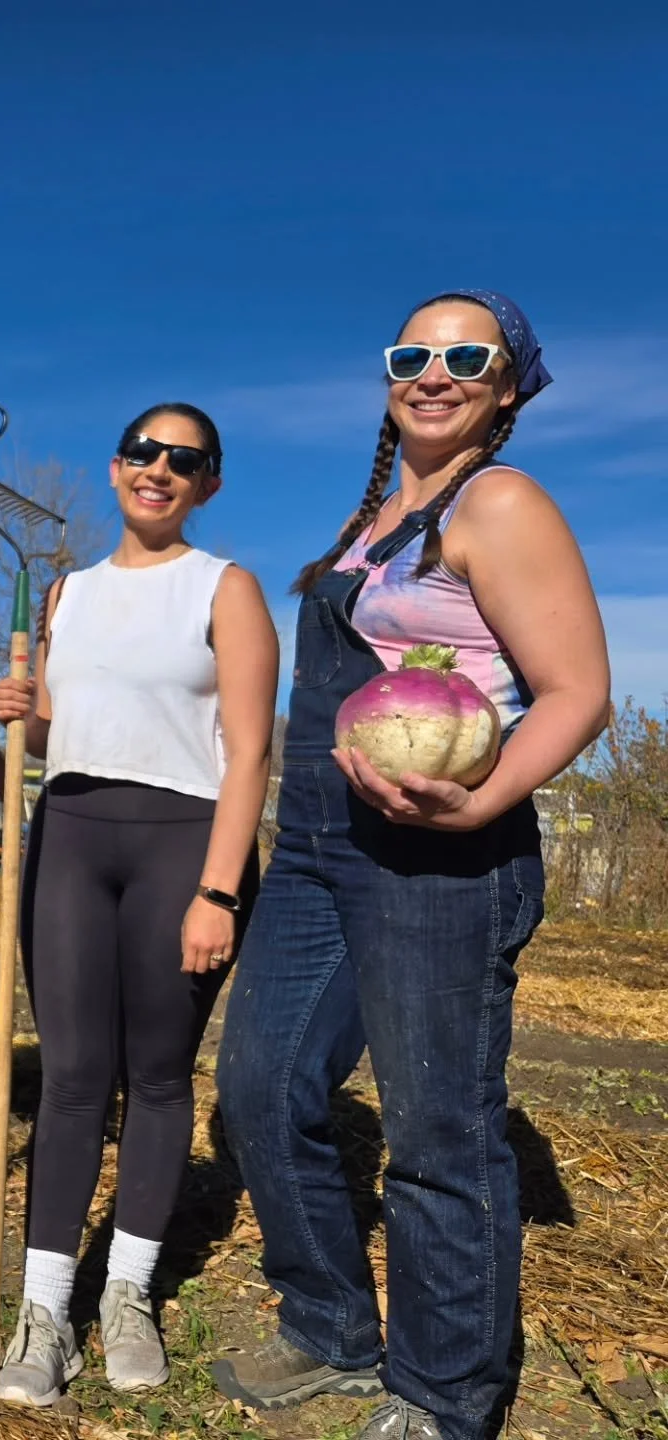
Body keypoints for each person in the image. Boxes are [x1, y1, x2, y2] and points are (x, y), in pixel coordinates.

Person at [212, 292, 610, 1440]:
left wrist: (478, 798)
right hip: (321, 848)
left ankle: (445, 1394)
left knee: (437, 1131)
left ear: (508, 384)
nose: (434, 372)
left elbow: (578, 689)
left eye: (465, 356)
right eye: (412, 354)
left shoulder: (502, 502)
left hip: (442, 859)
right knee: (258, 1084)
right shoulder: (380, 518)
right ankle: (331, 1327)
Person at [0, 404, 279, 1405]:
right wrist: (30, 710)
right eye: (144, 453)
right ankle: (42, 1313)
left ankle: (127, 1295)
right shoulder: (65, 591)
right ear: (115, 470)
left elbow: (249, 751)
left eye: (184, 459)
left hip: (182, 847)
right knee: (71, 1077)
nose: (160, 468)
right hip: (68, 838)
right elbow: (83, 720)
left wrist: (217, 889)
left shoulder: (226, 589)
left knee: (157, 1077)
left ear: (208, 484)